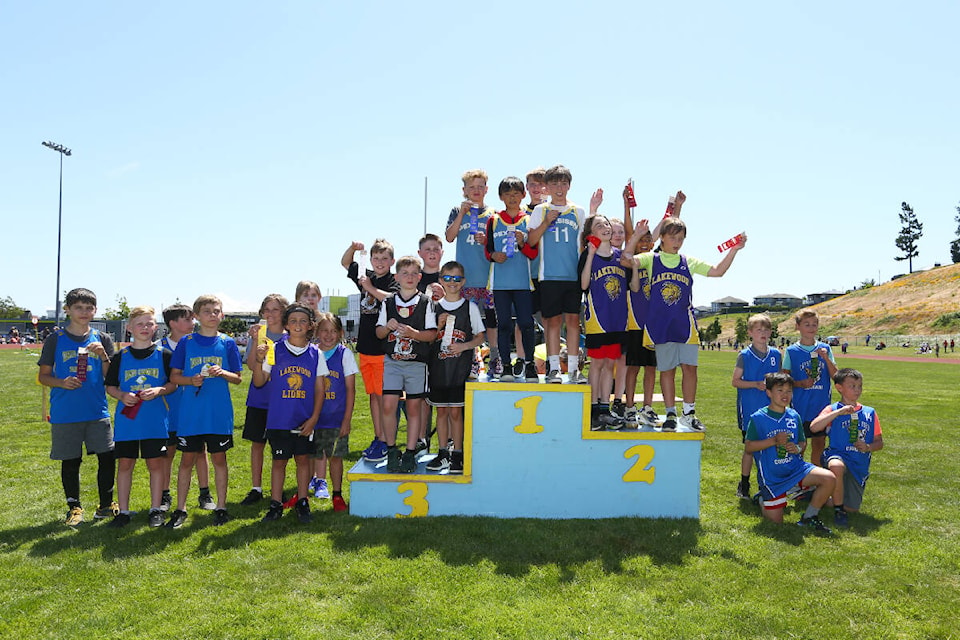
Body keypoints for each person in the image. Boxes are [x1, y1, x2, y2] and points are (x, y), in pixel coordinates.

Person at [624, 215, 746, 431]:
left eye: (680, 238)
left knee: (690, 369)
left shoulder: (687, 261)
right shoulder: (651, 259)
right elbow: (626, 259)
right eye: (672, 237)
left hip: (685, 325)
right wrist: (635, 236)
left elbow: (717, 272)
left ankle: (688, 413)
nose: (677, 242)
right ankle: (670, 414)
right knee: (667, 370)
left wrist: (734, 250)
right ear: (661, 238)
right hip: (660, 325)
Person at [37, 287, 118, 525]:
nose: (84, 312)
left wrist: (104, 355)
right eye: (78, 307)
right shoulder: (56, 339)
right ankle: (74, 507)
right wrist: (61, 382)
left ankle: (105, 505)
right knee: (71, 460)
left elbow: (111, 377)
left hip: (96, 410)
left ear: (95, 310)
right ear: (68, 310)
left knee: (107, 457)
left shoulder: (102, 339)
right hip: (66, 411)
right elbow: (43, 376)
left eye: (89, 308)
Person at [165, 295, 243, 528]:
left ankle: (221, 506)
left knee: (219, 459)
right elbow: (174, 377)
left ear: (222, 315)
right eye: (206, 311)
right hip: (191, 414)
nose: (212, 314)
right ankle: (180, 509)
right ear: (196, 316)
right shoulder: (186, 343)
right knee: (187, 459)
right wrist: (191, 380)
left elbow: (238, 378)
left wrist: (223, 373)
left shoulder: (227, 343)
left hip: (218, 414)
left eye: (216, 311)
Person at [252, 304, 328, 523]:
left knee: (303, 460)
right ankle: (276, 503)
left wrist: (314, 418)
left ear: (311, 325)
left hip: (304, 419)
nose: (297, 325)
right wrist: (259, 360)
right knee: (279, 461)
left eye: (303, 321)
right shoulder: (274, 349)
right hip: (279, 418)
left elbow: (319, 389)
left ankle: (302, 501)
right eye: (292, 320)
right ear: (285, 324)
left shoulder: (316, 353)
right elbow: (259, 382)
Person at [104, 305, 176, 528]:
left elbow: (173, 383)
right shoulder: (120, 357)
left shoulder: (164, 355)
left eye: (149, 324)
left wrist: (159, 391)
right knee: (125, 464)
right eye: (139, 324)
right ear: (129, 328)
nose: (144, 328)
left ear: (155, 327)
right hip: (128, 422)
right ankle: (123, 511)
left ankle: (156, 509)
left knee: (155, 464)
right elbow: (111, 386)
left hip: (154, 422)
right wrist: (122, 395)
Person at [744, 372, 836, 534]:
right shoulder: (758, 418)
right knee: (776, 523)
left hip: (796, 469)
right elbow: (749, 447)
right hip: (773, 477)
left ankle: (809, 517)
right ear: (769, 393)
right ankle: (762, 499)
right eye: (780, 391)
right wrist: (773, 441)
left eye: (789, 391)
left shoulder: (794, 415)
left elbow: (802, 441)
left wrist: (798, 448)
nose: (785, 395)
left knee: (829, 478)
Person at [375, 256, 438, 473]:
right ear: (396, 277)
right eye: (405, 273)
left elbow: (431, 335)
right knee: (388, 405)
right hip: (393, 361)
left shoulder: (425, 302)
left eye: (414, 274)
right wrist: (388, 328)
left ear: (419, 277)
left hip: (416, 363)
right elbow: (379, 332)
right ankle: (392, 449)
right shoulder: (388, 302)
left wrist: (414, 334)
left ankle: (410, 451)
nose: (409, 277)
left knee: (413, 407)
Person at [527, 164, 587, 384]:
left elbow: (583, 244)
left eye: (563, 183)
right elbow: (531, 242)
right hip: (549, 275)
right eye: (554, 183)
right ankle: (553, 368)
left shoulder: (578, 211)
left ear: (569, 186)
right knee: (551, 322)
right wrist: (546, 222)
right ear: (547, 186)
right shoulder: (540, 210)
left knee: (572, 322)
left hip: (572, 276)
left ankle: (573, 369)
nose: (559, 187)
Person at [426, 261, 486, 474]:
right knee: (441, 412)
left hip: (459, 370)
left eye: (457, 278)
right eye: (448, 278)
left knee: (456, 413)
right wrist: (438, 326)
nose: (452, 282)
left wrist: (465, 346)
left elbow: (480, 336)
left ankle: (457, 454)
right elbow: (427, 338)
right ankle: (442, 453)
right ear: (441, 280)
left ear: (463, 282)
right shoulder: (432, 307)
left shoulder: (469, 307)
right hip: (438, 369)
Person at [342, 239, 399, 463]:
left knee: (384, 398)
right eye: (376, 258)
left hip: (383, 350)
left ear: (392, 261)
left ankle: (386, 440)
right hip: (366, 349)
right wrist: (353, 249)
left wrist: (369, 288)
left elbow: (392, 299)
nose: (380, 262)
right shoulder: (366, 276)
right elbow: (346, 263)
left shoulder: (393, 281)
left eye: (385, 258)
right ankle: (380, 438)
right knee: (374, 398)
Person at [579, 214, 634, 429]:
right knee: (597, 364)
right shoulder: (588, 254)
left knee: (610, 364)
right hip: (598, 319)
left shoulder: (621, 256)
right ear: (591, 233)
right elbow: (584, 285)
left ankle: (605, 407)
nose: (605, 227)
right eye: (599, 225)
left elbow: (631, 286)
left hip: (618, 319)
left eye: (607, 224)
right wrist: (591, 254)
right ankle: (593, 409)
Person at [809, 369, 883, 527]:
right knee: (836, 465)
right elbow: (814, 427)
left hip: (858, 464)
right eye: (852, 386)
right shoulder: (832, 409)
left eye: (859, 386)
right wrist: (838, 412)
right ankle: (838, 510)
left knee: (853, 508)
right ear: (839, 388)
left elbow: (879, 442)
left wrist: (868, 446)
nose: (857, 390)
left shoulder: (869, 413)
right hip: (837, 455)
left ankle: (818, 495)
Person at [158, 304, 214, 512]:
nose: (193, 323)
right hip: (169, 411)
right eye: (188, 319)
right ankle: (164, 495)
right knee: (168, 452)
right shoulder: (159, 348)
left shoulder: (195, 344)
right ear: (173, 323)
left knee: (200, 451)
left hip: (194, 409)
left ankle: (205, 493)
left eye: (193, 319)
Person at [445, 169, 500, 378]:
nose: (476, 191)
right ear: (464, 190)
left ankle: (494, 358)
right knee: (467, 322)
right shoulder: (456, 211)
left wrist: (486, 240)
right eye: (471, 187)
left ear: (486, 189)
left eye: (480, 187)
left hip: (488, 278)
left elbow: (497, 243)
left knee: (492, 321)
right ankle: (472, 360)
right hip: (464, 280)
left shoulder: (493, 214)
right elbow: (449, 237)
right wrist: (461, 213)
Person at [484, 176, 539, 383]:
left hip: (523, 283)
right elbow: (488, 250)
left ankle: (530, 365)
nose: (512, 197)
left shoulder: (529, 220)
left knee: (526, 323)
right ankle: (506, 365)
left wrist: (523, 243)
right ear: (500, 197)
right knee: (504, 324)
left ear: (523, 195)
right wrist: (493, 256)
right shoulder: (494, 220)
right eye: (507, 194)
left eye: (516, 193)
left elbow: (533, 253)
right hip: (500, 284)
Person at [239, 294, 288, 507]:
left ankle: (279, 488)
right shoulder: (258, 334)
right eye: (266, 310)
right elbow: (251, 366)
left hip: (283, 401)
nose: (270, 314)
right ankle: (256, 488)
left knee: (280, 447)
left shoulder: (291, 336)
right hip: (259, 398)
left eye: (275, 309)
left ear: (284, 312)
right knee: (257, 444)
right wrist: (255, 343)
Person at [620, 188, 661, 429]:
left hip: (653, 325)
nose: (645, 243)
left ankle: (647, 407)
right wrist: (626, 205)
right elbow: (628, 232)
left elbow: (666, 228)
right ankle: (629, 407)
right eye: (641, 239)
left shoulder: (657, 260)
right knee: (633, 367)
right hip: (634, 323)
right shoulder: (630, 262)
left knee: (651, 368)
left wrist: (677, 209)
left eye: (649, 239)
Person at [731, 313, 783, 500]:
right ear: (750, 333)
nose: (763, 333)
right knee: (750, 449)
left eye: (766, 329)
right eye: (758, 329)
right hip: (750, 411)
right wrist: (754, 384)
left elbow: (780, 382)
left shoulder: (776, 354)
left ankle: (771, 483)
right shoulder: (744, 355)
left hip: (771, 411)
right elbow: (735, 381)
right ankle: (744, 484)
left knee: (772, 448)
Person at [781, 308, 837, 467]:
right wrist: (800, 383)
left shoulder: (825, 349)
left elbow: (836, 376)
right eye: (807, 324)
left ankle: (816, 480)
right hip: (800, 406)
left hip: (821, 407)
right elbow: (784, 379)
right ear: (798, 326)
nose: (811, 328)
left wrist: (825, 357)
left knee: (819, 445)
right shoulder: (791, 351)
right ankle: (798, 479)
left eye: (814, 324)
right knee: (800, 445)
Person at [313, 312, 356, 512]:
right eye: (324, 331)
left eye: (333, 331)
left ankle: (337, 494)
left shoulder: (344, 354)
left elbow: (350, 389)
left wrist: (347, 419)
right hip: (315, 416)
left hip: (337, 416)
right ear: (316, 332)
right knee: (314, 454)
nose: (328, 335)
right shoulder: (312, 352)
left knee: (336, 457)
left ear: (339, 333)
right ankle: (315, 486)